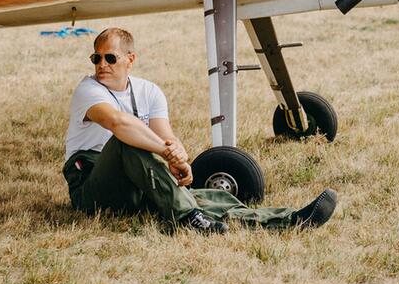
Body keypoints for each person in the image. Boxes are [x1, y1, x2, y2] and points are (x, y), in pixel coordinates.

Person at [63, 27, 337, 233]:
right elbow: (118, 124)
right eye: (96, 58)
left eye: (110, 57)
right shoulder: (88, 90)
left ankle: (290, 219)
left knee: (211, 198)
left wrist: (179, 157)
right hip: (91, 185)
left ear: (130, 59)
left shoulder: (149, 91)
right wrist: (165, 153)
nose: (101, 64)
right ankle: (186, 218)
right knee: (127, 140)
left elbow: (166, 137)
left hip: (136, 178)